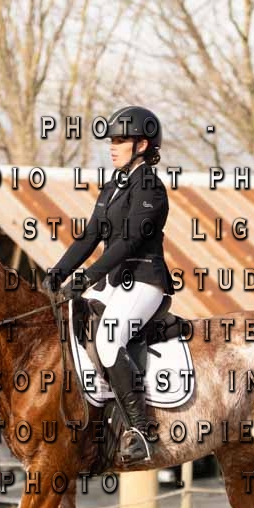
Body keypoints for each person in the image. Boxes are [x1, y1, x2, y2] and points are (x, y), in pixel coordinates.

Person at [42, 105, 174, 464]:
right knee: (67, 321)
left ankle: (141, 433)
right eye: (111, 141)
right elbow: (90, 236)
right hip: (114, 279)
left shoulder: (151, 188)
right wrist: (58, 271)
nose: (112, 147)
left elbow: (129, 242)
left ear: (142, 145)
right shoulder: (114, 185)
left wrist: (88, 276)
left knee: (108, 338)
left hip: (144, 279)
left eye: (120, 141)